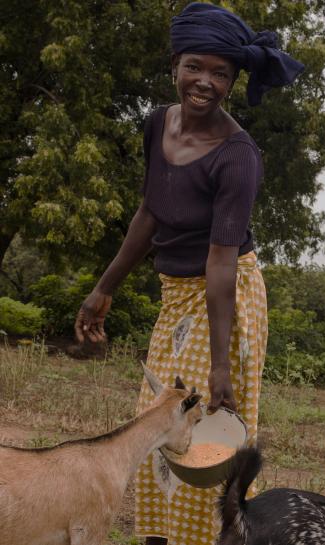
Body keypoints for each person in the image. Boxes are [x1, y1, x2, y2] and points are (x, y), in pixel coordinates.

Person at [74, 3, 304, 544]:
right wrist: (104, 288)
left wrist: (221, 365)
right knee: (156, 419)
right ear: (175, 64)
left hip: (225, 297)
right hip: (176, 295)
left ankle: (202, 539)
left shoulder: (238, 157)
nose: (205, 82)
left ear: (232, 81)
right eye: (196, 67)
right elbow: (150, 212)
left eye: (221, 73)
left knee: (204, 426)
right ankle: (158, 536)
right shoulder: (158, 123)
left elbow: (221, 261)